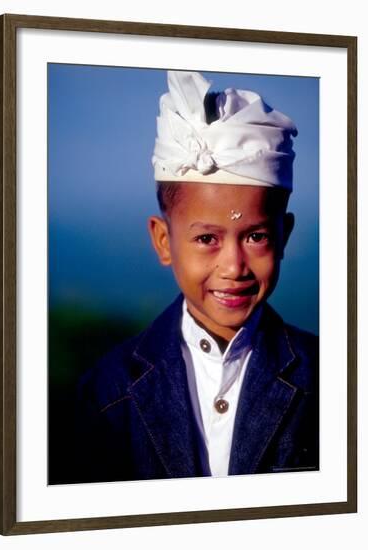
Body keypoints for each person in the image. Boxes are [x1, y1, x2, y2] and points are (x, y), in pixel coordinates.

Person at [73, 71, 319, 483]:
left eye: (256, 236)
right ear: (164, 241)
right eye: (206, 238)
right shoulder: (105, 390)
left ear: (285, 235)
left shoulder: (334, 380)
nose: (234, 267)